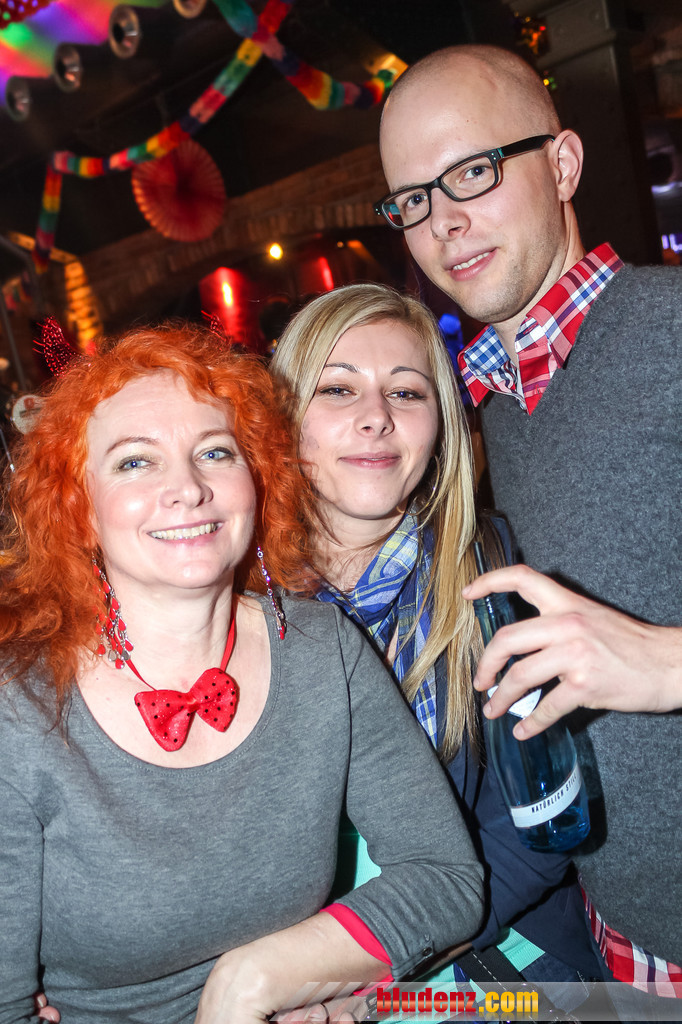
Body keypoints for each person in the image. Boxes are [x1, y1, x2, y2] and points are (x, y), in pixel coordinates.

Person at [0, 322, 485, 1024]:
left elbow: (446, 879)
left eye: (215, 452)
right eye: (135, 462)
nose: (187, 488)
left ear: (257, 480)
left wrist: (257, 978)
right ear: (79, 509)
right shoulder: (20, 710)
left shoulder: (323, 651)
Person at [376, 44, 681, 999]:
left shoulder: (672, 331)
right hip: (623, 937)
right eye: (413, 198)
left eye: (472, 171)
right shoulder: (489, 411)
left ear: (563, 164)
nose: (443, 221)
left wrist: (666, 663)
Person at [271, 282, 604, 1001]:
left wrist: (371, 968)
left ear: (441, 426)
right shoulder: (237, 605)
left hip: (488, 960)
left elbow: (542, 832)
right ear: (283, 417)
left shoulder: (492, 573)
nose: (376, 417)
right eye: (337, 389)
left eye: (406, 392)